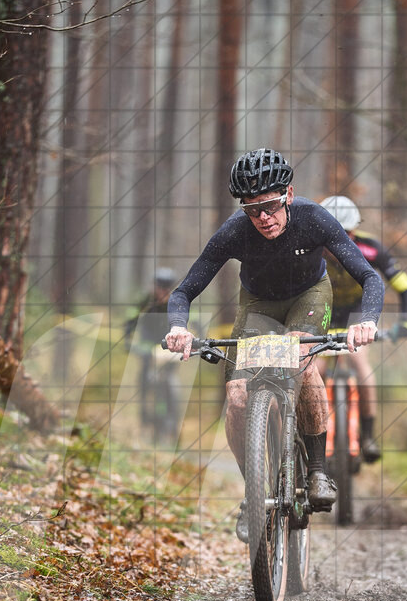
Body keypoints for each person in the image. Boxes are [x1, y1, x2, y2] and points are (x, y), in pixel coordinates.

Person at [164, 148, 385, 542]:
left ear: (288, 194)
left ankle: (317, 470)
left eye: (269, 206)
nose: (263, 218)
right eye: (252, 210)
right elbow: (184, 291)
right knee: (236, 394)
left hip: (309, 296)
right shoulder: (235, 230)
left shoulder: (313, 217)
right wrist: (179, 328)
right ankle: (254, 492)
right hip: (259, 304)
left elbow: (370, 277)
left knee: (301, 356)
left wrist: (367, 320)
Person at [319, 195, 407, 462]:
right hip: (321, 312)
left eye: (346, 233)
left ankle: (368, 434)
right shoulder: (310, 248)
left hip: (356, 313)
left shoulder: (371, 248)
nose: (339, 240)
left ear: (354, 230)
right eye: (332, 233)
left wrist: (406, 322)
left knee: (361, 363)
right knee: (315, 371)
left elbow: (405, 286)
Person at [125, 268, 179, 437]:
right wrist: (127, 338)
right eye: (160, 287)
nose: (163, 291)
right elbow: (131, 318)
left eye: (167, 287)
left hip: (168, 346)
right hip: (148, 344)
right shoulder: (146, 301)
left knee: (171, 376)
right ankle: (144, 411)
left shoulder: (177, 301)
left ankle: (173, 416)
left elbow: (191, 318)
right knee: (145, 377)